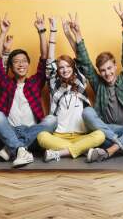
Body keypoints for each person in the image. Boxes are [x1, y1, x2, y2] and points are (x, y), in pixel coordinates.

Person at [68, 5, 123, 163]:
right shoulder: (98, 84)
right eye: (103, 70)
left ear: (115, 66)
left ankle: (114, 148)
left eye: (109, 68)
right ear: (99, 71)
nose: (107, 73)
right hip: (106, 132)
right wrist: (77, 34)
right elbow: (85, 62)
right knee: (87, 113)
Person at [0, 14, 57, 167]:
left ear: (28, 64)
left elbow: (45, 58)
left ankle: (13, 148)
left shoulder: (35, 82)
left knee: (52, 119)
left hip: (33, 133)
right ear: (11, 67)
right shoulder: (6, 83)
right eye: (16, 62)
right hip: (10, 132)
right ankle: (20, 148)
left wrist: (42, 32)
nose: (21, 64)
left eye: (24, 61)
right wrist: (2, 32)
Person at [37, 17, 105, 162]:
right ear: (58, 70)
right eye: (61, 67)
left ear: (73, 68)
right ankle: (83, 150)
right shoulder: (54, 83)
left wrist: (69, 34)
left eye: (68, 66)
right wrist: (53, 31)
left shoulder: (80, 80)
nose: (65, 70)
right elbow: (49, 60)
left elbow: (82, 58)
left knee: (100, 135)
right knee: (41, 137)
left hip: (82, 134)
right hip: (60, 135)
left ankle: (60, 153)